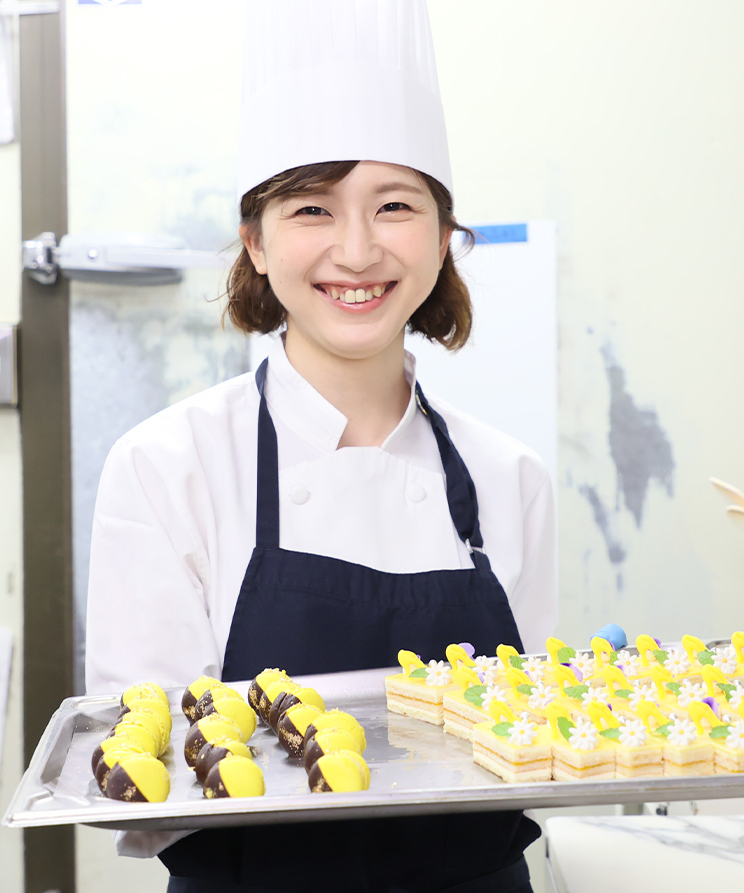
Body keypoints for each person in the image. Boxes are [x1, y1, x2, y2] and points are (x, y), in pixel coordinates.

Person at [85, 2, 556, 890]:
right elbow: (141, 760)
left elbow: (523, 743)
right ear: (255, 242)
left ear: (442, 235)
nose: (356, 247)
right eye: (311, 207)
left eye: (394, 205)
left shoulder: (509, 477)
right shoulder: (167, 467)